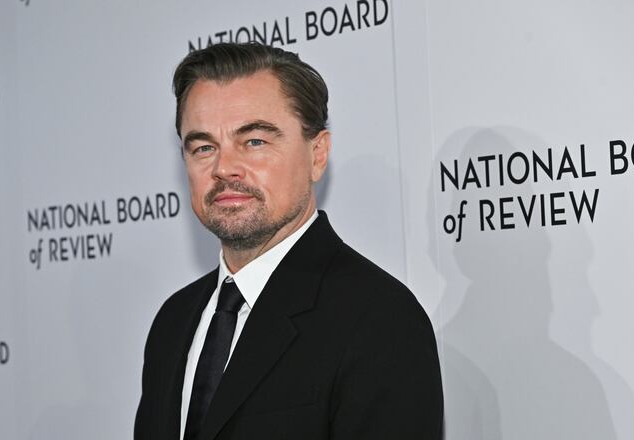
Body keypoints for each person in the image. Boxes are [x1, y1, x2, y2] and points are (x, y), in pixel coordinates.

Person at [134, 42, 443, 440]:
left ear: (317, 154)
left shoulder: (378, 318)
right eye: (204, 147)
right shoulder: (173, 322)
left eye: (255, 141)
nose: (224, 167)